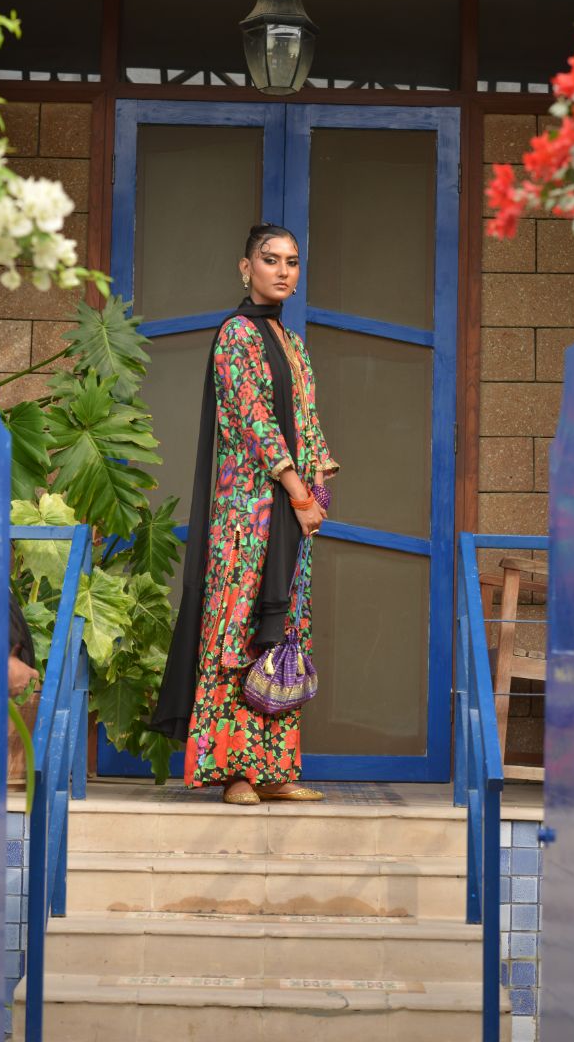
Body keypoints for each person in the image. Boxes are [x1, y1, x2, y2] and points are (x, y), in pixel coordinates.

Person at [150, 223, 339, 804]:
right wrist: (298, 493)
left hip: (291, 515)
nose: (282, 270)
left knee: (283, 638)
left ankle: (274, 769)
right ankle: (234, 771)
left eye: (291, 261)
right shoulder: (236, 335)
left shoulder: (293, 343)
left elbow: (307, 423)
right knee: (235, 630)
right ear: (245, 268)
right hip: (247, 514)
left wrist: (319, 487)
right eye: (270, 259)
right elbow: (257, 422)